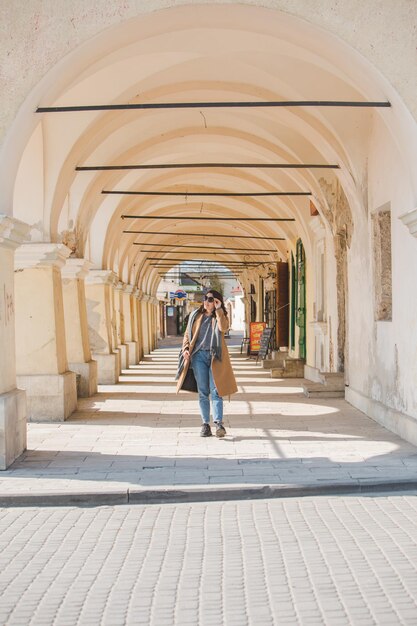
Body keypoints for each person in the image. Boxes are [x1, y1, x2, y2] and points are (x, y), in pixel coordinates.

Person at [176, 290, 238, 437]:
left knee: (216, 391)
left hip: (215, 357)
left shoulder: (220, 316)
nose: (207, 301)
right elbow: (187, 334)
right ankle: (205, 424)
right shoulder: (195, 315)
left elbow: (224, 328)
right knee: (203, 392)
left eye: (211, 299)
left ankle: (218, 424)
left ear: (217, 301)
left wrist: (219, 310)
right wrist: (185, 349)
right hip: (198, 357)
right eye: (205, 298)